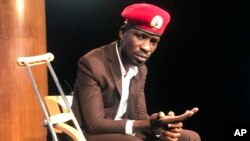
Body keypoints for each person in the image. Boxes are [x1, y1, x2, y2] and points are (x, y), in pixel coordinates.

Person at [72, 3, 201, 141]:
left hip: (127, 133)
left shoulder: (141, 69)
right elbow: (94, 125)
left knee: (191, 137)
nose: (147, 48)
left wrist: (161, 127)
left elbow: (140, 115)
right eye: (140, 36)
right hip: (91, 135)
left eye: (153, 41)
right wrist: (149, 124)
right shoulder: (92, 63)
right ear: (122, 32)